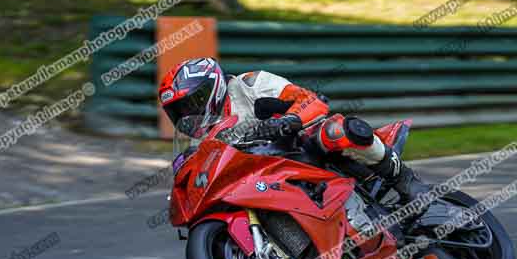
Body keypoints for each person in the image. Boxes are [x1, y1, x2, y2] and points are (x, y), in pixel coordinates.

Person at [158, 57, 431, 210]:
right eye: (179, 110)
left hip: (299, 149)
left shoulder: (249, 85)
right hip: (265, 180)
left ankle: (405, 180)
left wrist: (287, 121)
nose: (188, 113)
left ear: (213, 86)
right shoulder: (203, 140)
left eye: (193, 102)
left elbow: (312, 101)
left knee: (334, 132)